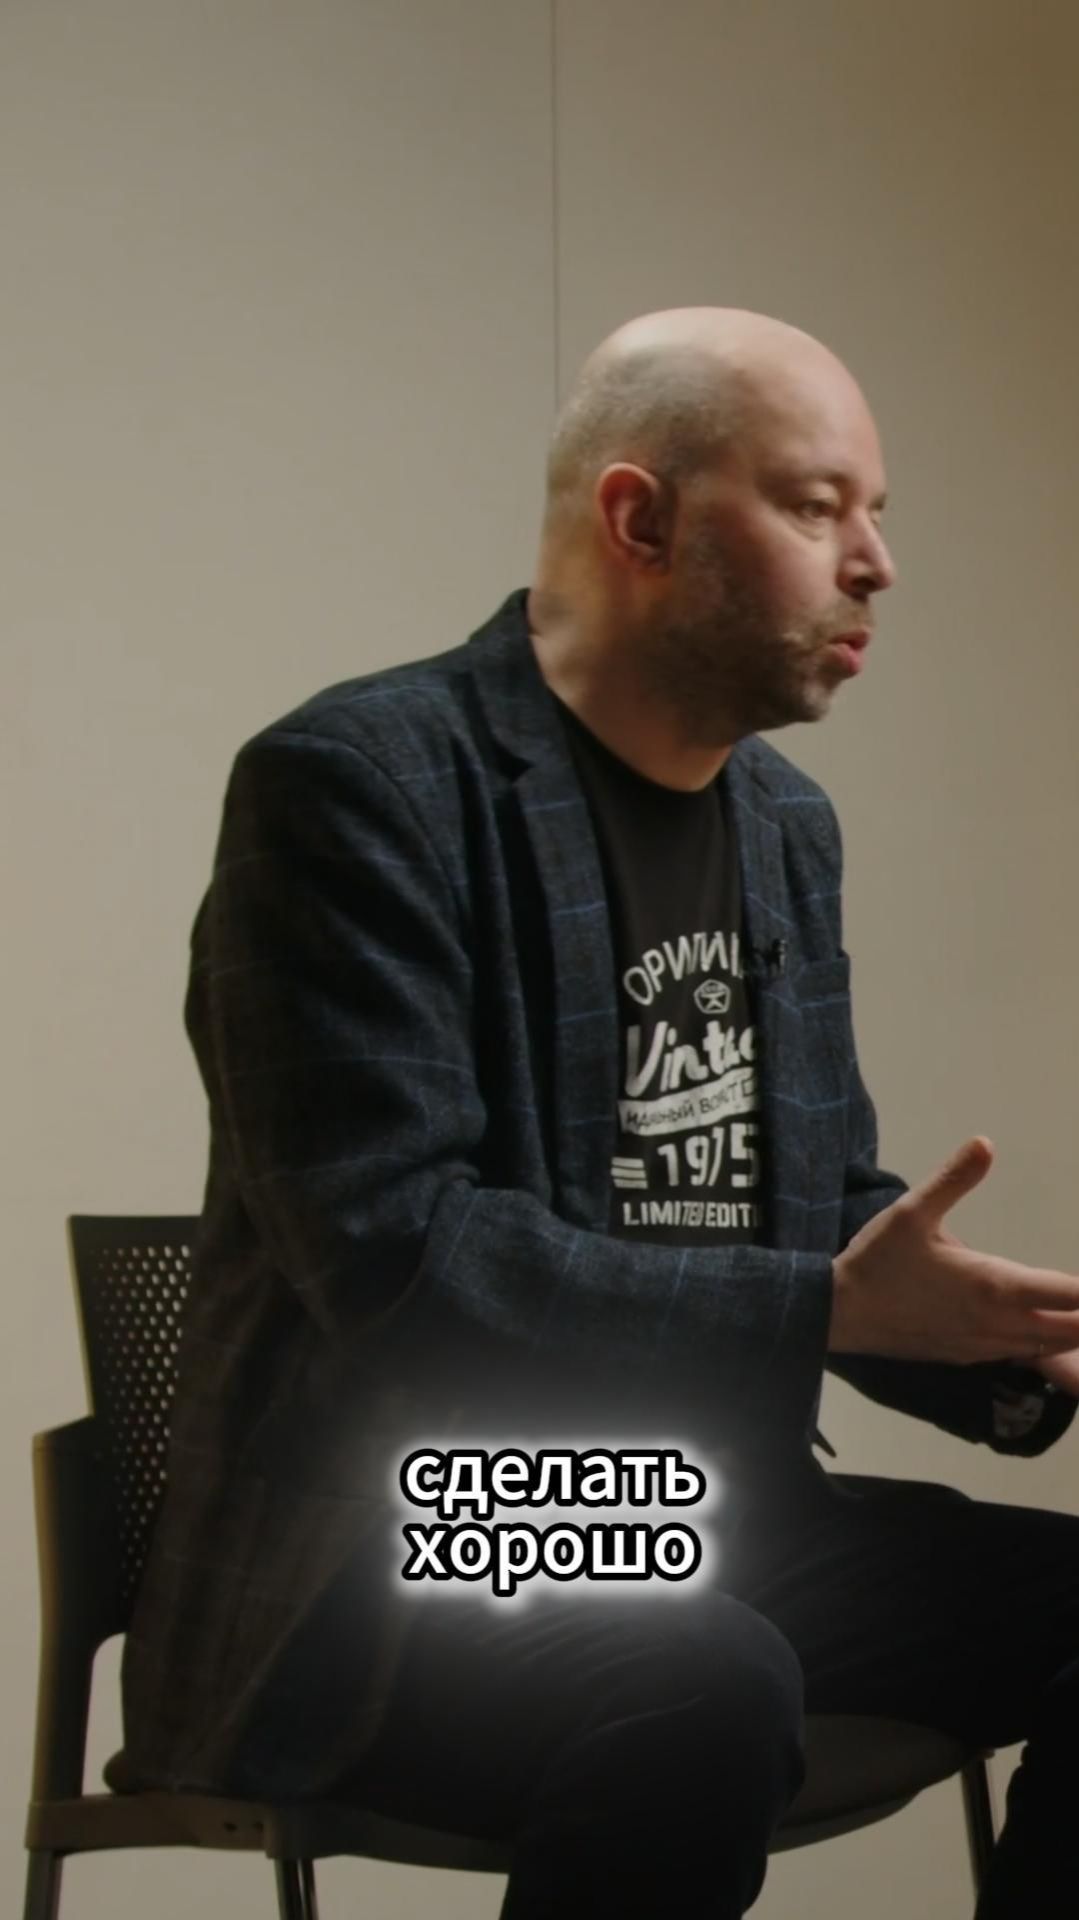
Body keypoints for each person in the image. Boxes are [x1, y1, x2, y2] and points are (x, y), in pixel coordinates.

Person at [114, 307, 1079, 1918]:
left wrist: (1019, 1342)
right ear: (641, 521)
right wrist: (825, 1302)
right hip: (434, 1525)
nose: (877, 563)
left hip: (720, 1514)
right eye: (817, 505)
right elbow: (401, 1258)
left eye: (877, 512)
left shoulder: (783, 823)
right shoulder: (357, 785)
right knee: (700, 1678)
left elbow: (818, 1212)